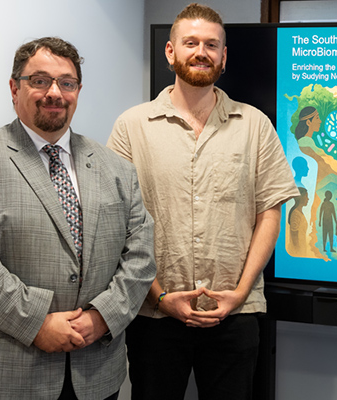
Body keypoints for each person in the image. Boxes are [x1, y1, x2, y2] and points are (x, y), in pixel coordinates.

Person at [0, 37, 156, 400]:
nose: (55, 92)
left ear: (78, 91)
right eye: (39, 80)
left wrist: (101, 317)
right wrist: (36, 321)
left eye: (66, 83)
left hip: (93, 372)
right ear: (14, 88)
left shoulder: (117, 169)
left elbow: (141, 256)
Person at [107, 4, 298, 399]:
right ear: (170, 52)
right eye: (190, 42)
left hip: (235, 312)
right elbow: (116, 220)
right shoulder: (131, 126)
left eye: (212, 44)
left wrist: (241, 292)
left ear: (224, 56)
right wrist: (158, 295)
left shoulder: (255, 125)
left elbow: (270, 212)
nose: (201, 52)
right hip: (153, 313)